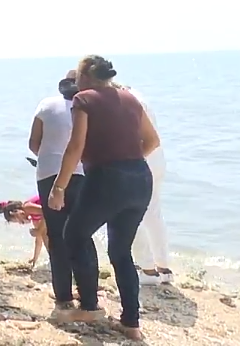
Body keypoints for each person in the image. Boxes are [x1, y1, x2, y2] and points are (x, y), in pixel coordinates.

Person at [48, 55, 160, 341]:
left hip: (107, 178)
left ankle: (89, 306)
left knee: (73, 234)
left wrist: (59, 188)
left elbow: (75, 146)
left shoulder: (83, 99)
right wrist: (128, 163)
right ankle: (131, 323)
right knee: (121, 252)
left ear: (85, 76)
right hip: (140, 178)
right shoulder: (130, 98)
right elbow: (152, 141)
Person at [27, 69, 85, 313]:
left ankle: (63, 296)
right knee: (81, 235)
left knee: (57, 237)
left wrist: (50, 158)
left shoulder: (46, 104)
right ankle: (87, 293)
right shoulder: (90, 109)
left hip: (49, 174)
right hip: (81, 174)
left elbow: (33, 143)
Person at [119, 86, 173, 285]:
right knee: (153, 213)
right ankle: (164, 268)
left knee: (131, 214)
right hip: (157, 160)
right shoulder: (137, 95)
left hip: (142, 162)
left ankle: (148, 270)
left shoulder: (123, 101)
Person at [0, 198, 48, 269]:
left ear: (16, 212)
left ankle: (55, 256)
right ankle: (54, 257)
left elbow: (47, 212)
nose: (20, 223)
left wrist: (39, 230)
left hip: (59, 205)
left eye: (18, 220)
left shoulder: (27, 207)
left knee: (43, 233)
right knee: (42, 234)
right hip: (56, 211)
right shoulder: (34, 219)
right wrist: (35, 259)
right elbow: (38, 240)